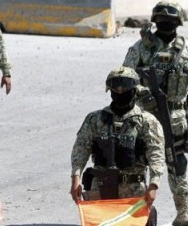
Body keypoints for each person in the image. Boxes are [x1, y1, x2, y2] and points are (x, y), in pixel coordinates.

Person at [122, 1, 188, 226]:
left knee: (177, 164)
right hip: (145, 118)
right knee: (137, 165)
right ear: (154, 22)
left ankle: (183, 213)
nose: (165, 25)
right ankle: (138, 214)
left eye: (170, 22)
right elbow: (124, 79)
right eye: (161, 21)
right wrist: (142, 92)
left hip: (176, 119)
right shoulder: (140, 48)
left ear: (178, 23)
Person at [70, 67, 165, 221]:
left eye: (125, 87)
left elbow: (156, 154)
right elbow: (81, 149)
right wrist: (76, 177)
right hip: (100, 188)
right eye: (116, 87)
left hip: (133, 192)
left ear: (134, 89)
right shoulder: (95, 119)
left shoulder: (146, 122)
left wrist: (153, 185)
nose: (120, 91)